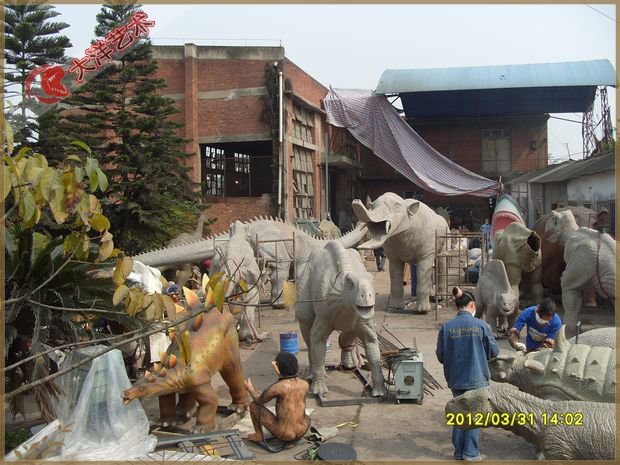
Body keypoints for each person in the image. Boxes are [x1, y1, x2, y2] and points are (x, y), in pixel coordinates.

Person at [436, 287, 499, 461]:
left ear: (458, 306)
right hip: (477, 378)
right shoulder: (482, 325)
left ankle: (459, 452)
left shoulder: (446, 327)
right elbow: (494, 351)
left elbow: (440, 355)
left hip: (456, 378)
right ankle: (470, 452)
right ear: (472, 305)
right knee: (474, 414)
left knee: (459, 413)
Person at [244, 352, 310, 447]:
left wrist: (250, 388)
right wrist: (278, 370)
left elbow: (258, 400)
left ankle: (259, 434)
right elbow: (288, 379)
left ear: (279, 368)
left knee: (253, 405)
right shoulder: (305, 384)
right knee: (303, 416)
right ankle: (295, 434)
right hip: (302, 430)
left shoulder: (278, 387)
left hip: (285, 434)